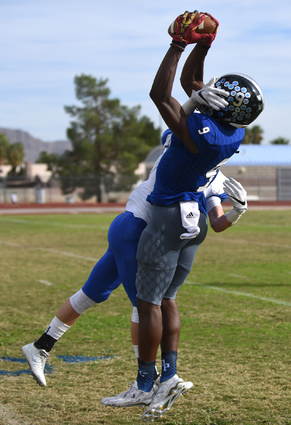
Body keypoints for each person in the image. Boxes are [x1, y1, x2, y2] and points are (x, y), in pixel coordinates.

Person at [101, 11, 264, 422]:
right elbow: (194, 86)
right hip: (195, 219)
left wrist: (177, 45)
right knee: (169, 297)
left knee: (148, 301)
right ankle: (170, 375)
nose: (214, 91)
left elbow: (162, 96)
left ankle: (144, 384)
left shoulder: (205, 137)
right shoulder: (234, 131)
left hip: (169, 214)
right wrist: (204, 46)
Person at [21, 125, 247, 387]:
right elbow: (174, 116)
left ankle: (40, 346)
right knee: (145, 304)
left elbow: (217, 221)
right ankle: (146, 381)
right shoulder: (173, 161)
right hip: (136, 229)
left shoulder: (213, 175)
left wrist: (237, 212)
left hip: (140, 232)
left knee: (91, 293)